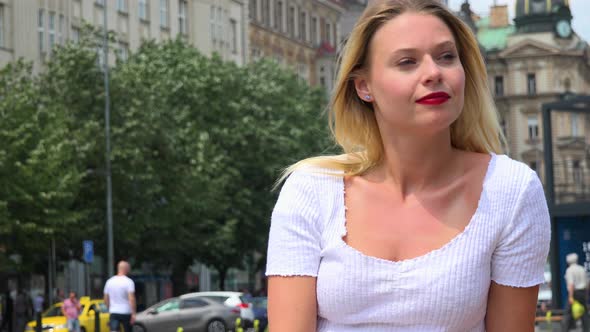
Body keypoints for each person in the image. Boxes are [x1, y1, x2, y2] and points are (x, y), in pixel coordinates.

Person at [265, 0, 551, 331]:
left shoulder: (511, 191)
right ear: (364, 86)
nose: (433, 73)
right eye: (407, 62)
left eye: (446, 56)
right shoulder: (310, 189)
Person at [104, 261, 136, 332]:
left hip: (114, 311)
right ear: (126, 269)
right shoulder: (129, 282)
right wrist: (133, 313)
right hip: (126, 311)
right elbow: (131, 298)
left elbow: (106, 298)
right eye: (128, 268)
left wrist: (109, 308)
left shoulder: (109, 281)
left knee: (114, 330)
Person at [562, 253, 589, 331]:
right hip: (583, 292)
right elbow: (587, 283)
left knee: (567, 313)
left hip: (574, 293)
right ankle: (586, 329)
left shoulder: (569, 270)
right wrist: (586, 294)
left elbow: (571, 284)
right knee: (584, 313)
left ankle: (565, 330)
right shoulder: (582, 268)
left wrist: (570, 296)